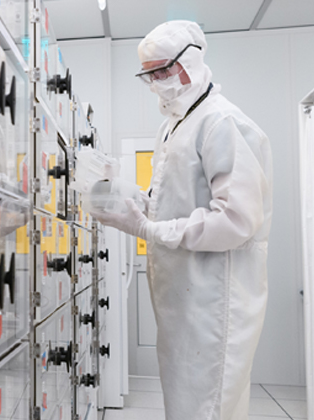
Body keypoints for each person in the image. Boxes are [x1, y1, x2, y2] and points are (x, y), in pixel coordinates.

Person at [92, 20, 273, 420]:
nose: (156, 83)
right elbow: (172, 201)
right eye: (149, 75)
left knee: (208, 407)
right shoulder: (173, 126)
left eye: (162, 71)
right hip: (182, 301)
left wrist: (149, 229)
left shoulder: (222, 123)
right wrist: (127, 198)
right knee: (185, 404)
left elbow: (236, 220)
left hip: (213, 302)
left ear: (189, 62)